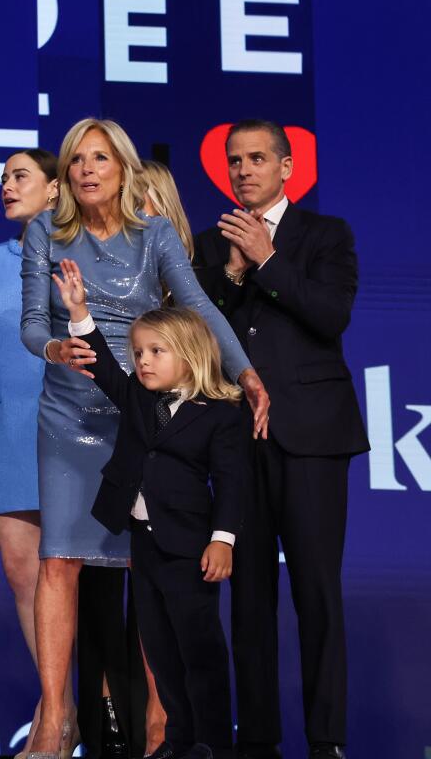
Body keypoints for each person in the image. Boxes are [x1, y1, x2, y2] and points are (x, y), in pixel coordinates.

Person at [19, 118, 269, 759]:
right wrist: (52, 345)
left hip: (142, 410)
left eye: (100, 158)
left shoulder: (154, 233)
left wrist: (244, 370)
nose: (87, 169)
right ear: (66, 174)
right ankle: (55, 721)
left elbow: (199, 311)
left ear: (122, 168)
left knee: (157, 572)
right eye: (77, 160)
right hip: (69, 410)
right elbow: (29, 324)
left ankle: (167, 728)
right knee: (58, 562)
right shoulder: (44, 230)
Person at [192, 119, 368, 759]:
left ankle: (326, 741)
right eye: (235, 160)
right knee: (250, 600)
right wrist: (235, 275)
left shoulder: (326, 235)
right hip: (239, 439)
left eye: (257, 158)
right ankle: (259, 739)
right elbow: (200, 336)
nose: (243, 170)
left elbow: (331, 315)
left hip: (313, 436)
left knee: (317, 592)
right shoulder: (212, 245)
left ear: (287, 166)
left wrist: (266, 260)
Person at [54, 258, 247, 759]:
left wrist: (222, 540)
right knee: (160, 653)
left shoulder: (219, 416)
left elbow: (232, 483)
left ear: (190, 356)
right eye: (139, 352)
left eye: (157, 352)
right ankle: (180, 741)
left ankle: (214, 745)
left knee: (198, 652)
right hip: (146, 547)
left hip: (191, 552)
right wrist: (79, 313)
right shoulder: (139, 399)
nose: (143, 361)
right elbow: (101, 365)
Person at [0, 149, 63, 757]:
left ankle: (85, 712)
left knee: (69, 573)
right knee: (21, 572)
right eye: (3, 177)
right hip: (2, 423)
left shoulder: (82, 252)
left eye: (20, 176)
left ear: (54, 189)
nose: (6, 186)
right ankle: (59, 707)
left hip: (71, 424)